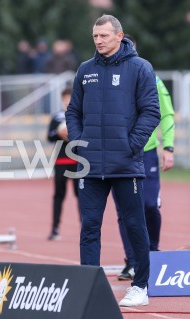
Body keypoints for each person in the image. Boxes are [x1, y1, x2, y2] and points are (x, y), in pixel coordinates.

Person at [65, 15, 160, 307]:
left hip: (125, 164)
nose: (98, 41)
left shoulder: (140, 68)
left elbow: (151, 112)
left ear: (119, 36)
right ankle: (89, 286)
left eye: (104, 36)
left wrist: (131, 145)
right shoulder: (85, 70)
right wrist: (80, 144)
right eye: (95, 36)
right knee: (90, 226)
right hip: (91, 166)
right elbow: (73, 112)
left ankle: (140, 286)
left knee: (135, 225)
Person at [115, 34, 175, 281]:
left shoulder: (151, 77)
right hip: (119, 153)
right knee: (126, 208)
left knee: (150, 205)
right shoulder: (106, 79)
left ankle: (153, 254)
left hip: (147, 152)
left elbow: (167, 114)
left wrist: (168, 148)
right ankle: (132, 260)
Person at [47, 87, 79, 241]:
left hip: (80, 162)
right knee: (59, 195)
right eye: (65, 98)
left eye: (70, 98)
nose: (68, 101)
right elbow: (49, 136)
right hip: (61, 161)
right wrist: (59, 133)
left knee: (82, 195)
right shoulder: (57, 117)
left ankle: (85, 227)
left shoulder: (81, 115)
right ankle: (55, 228)